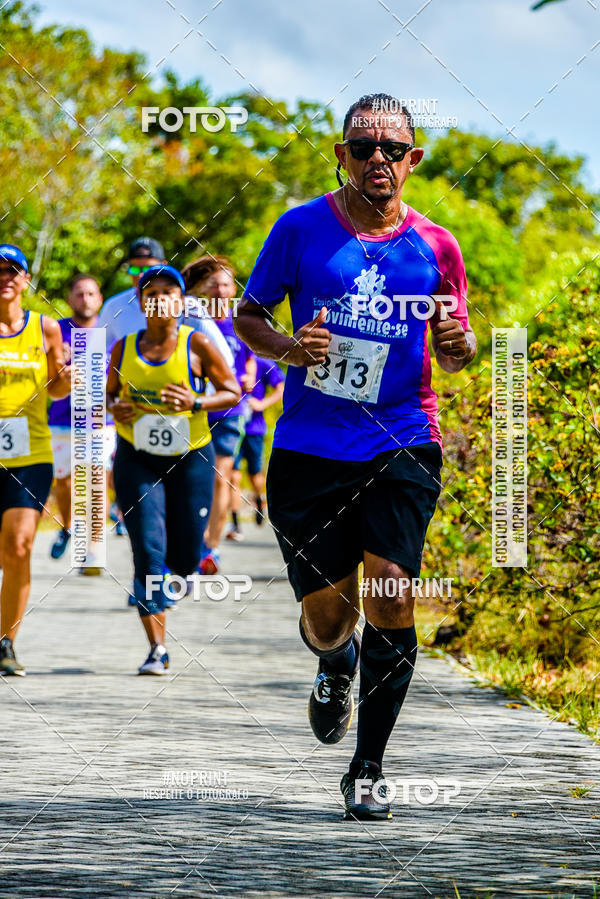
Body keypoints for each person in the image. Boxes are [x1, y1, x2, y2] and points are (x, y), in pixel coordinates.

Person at [235, 93, 476, 820]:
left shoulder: (436, 245)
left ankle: (367, 767)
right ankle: (335, 660)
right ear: (342, 155)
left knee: (393, 590)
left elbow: (453, 337)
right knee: (331, 616)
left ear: (413, 160)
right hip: (311, 446)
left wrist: (460, 347)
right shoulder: (299, 228)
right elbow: (250, 313)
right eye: (363, 147)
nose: (378, 158)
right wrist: (286, 348)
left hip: (403, 434)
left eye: (391, 148)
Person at [106, 264, 239, 675]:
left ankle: (173, 577)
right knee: (147, 551)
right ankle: (157, 648)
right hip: (136, 459)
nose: (160, 297)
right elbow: (106, 397)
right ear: (142, 303)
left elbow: (232, 391)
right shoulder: (124, 348)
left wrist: (196, 403)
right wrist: (116, 408)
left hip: (190, 458)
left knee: (184, 559)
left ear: (182, 302)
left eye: (169, 291)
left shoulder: (196, 344)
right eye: (151, 292)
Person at [0, 244, 71, 675]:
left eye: (14, 270)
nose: (6, 276)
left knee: (19, 543)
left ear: (26, 280)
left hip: (31, 452)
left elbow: (58, 389)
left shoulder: (45, 328)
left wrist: (66, 376)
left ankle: (6, 641)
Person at [181, 256, 256, 574]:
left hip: (230, 408)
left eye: (226, 284)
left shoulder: (243, 321)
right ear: (201, 288)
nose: (220, 290)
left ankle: (209, 548)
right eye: (213, 284)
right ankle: (188, 539)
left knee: (220, 475)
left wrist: (250, 377)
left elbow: (252, 358)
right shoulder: (189, 319)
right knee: (190, 478)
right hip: (194, 407)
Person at [48, 274, 117, 564]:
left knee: (97, 479)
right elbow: (44, 377)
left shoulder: (111, 331)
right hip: (62, 420)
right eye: (79, 294)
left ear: (100, 298)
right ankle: (66, 526)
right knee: (63, 482)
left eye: (91, 294)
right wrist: (58, 363)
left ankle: (94, 549)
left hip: (100, 422)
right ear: (69, 299)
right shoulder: (56, 331)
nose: (85, 299)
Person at [226, 356, 284, 541]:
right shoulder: (230, 357)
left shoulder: (263, 363)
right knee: (233, 475)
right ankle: (235, 524)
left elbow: (281, 388)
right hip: (232, 425)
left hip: (254, 429)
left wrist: (262, 404)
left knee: (254, 474)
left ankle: (259, 501)